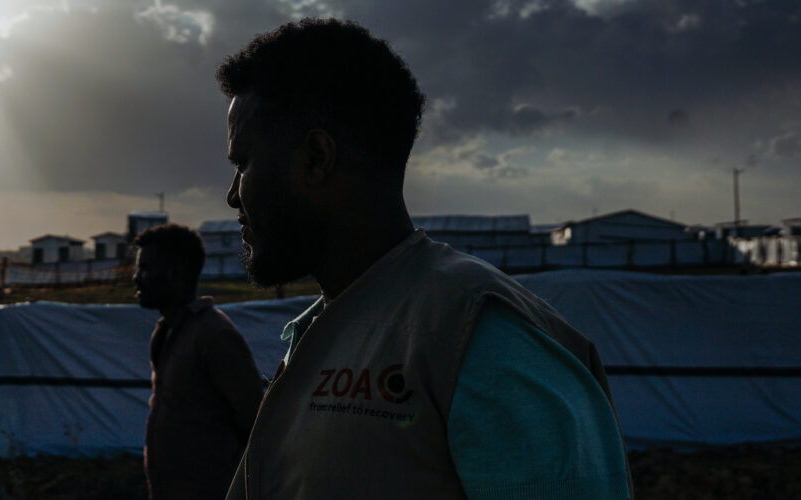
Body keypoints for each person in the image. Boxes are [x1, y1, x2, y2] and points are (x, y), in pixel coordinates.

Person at [216, 19, 631, 499]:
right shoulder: (323, 329)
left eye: (242, 163)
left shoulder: (483, 339)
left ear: (316, 158)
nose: (232, 196)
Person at [133, 224, 265, 500]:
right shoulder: (165, 332)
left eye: (145, 268)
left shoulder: (214, 335)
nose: (137, 278)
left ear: (175, 273)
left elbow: (256, 423)